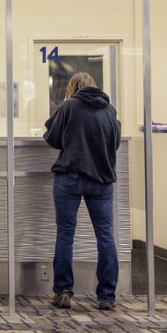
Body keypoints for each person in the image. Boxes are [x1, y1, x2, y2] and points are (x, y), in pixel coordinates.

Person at [43, 72, 121, 311]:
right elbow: (115, 143)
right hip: (101, 181)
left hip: (70, 178)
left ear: (73, 87)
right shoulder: (110, 111)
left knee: (66, 234)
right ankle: (106, 296)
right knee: (105, 236)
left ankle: (63, 291)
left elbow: (52, 138)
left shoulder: (69, 107)